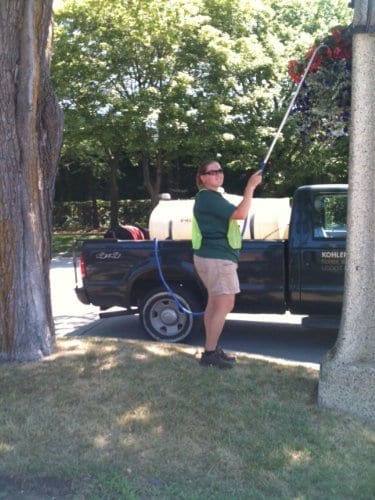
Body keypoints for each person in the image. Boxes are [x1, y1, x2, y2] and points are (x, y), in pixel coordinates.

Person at [192, 160, 262, 369]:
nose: (218, 174)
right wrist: (250, 187)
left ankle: (211, 349)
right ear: (202, 178)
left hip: (214, 257)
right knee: (224, 304)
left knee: (214, 304)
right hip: (216, 258)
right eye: (212, 172)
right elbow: (240, 214)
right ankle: (210, 354)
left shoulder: (211, 198)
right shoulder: (208, 198)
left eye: (220, 171)